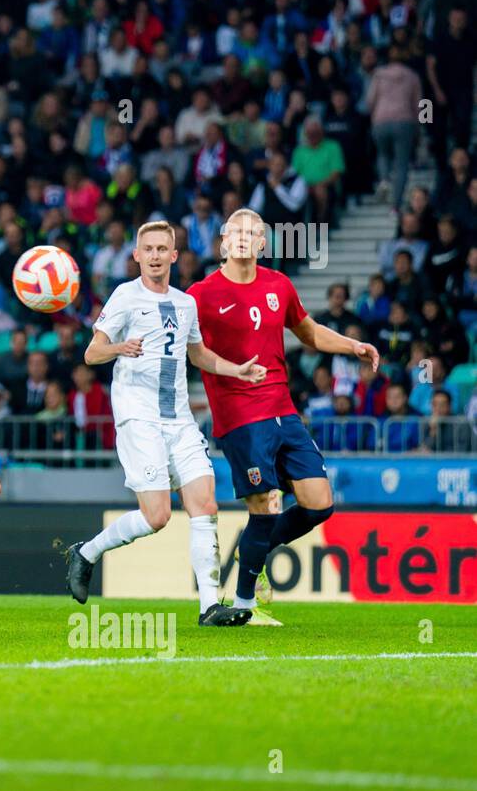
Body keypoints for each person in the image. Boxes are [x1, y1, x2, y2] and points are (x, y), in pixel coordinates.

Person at [63, 220, 265, 627]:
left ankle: (210, 606)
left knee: (204, 503)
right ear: (137, 256)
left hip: (179, 419)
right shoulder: (125, 296)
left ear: (174, 256)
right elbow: (91, 353)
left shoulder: (186, 303)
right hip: (139, 417)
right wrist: (120, 347)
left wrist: (235, 370)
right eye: (148, 249)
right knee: (156, 516)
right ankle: (86, 551)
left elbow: (200, 355)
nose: (155, 256)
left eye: (162, 249)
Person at [188, 209, 379, 625]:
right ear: (223, 241)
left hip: (283, 411)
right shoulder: (201, 294)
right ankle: (243, 606)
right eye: (235, 231)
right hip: (239, 415)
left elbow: (308, 331)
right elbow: (191, 349)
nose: (243, 237)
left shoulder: (279, 285)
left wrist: (352, 346)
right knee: (266, 508)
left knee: (319, 504)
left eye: (252, 232)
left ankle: (252, 552)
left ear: (262, 243)